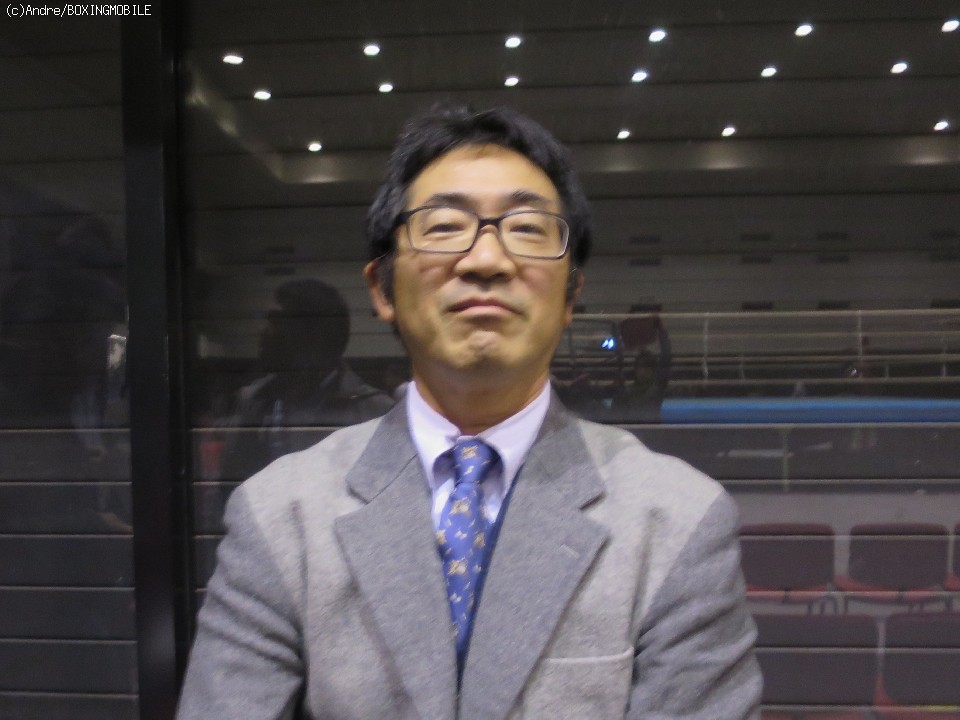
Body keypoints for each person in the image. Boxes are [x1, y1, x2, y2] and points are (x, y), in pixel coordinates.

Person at [176, 105, 761, 719]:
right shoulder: (280, 515)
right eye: (444, 225)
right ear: (382, 289)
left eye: (527, 228)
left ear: (571, 296)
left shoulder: (677, 519)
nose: (486, 261)